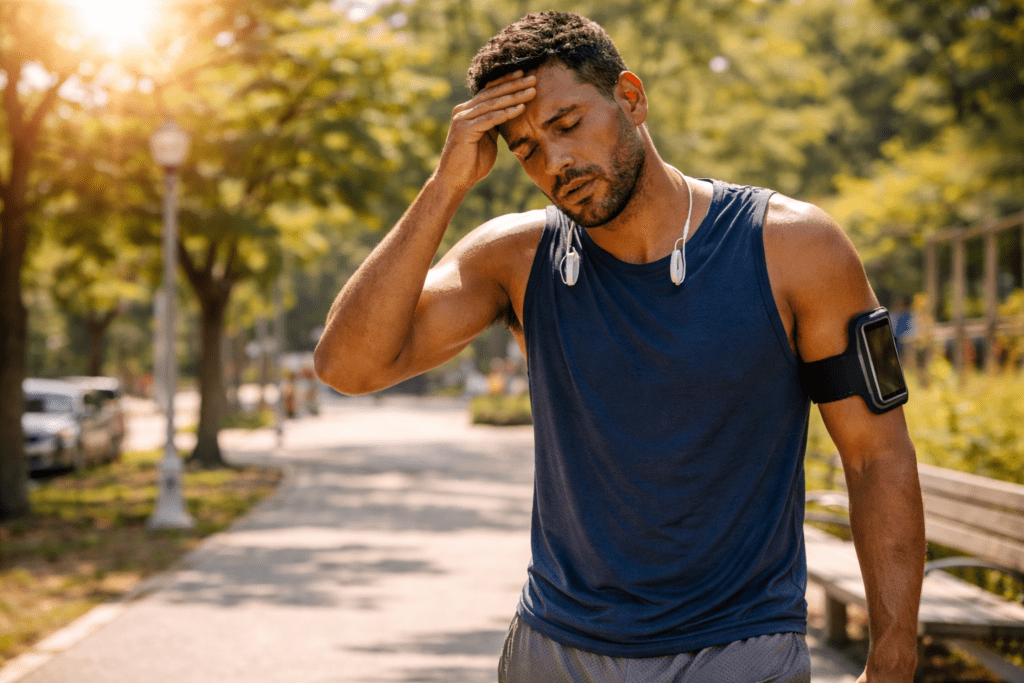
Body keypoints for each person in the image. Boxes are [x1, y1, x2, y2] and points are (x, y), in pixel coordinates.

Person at [314, 11, 924, 683]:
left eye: (567, 124)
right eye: (526, 149)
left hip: (738, 649)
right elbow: (348, 366)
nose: (555, 162)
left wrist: (892, 660)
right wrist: (446, 186)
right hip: (557, 651)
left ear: (630, 98)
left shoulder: (796, 248)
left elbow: (876, 454)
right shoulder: (516, 258)